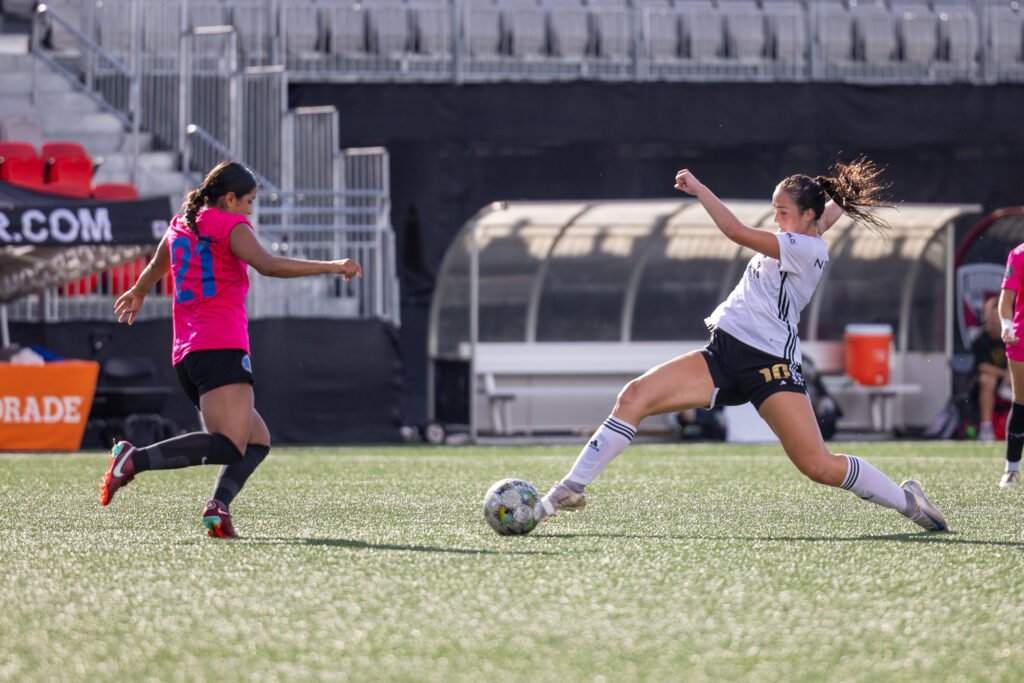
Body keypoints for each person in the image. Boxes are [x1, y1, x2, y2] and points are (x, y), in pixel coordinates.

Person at [535, 158, 948, 532]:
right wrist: (839, 195)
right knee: (634, 396)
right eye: (774, 210)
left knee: (818, 465)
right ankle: (570, 489)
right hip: (724, 352)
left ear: (806, 215)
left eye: (782, 212)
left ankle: (908, 503)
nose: (776, 218)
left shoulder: (803, 246)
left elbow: (734, 231)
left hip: (769, 366)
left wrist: (699, 189)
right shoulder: (807, 230)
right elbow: (826, 215)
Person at [98, 161, 362, 537]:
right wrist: (333, 266)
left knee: (256, 441)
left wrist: (139, 291)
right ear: (230, 198)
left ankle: (217, 509)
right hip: (220, 345)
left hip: (188, 354)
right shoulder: (230, 225)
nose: (251, 210)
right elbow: (268, 266)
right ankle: (133, 459)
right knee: (230, 446)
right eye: (249, 201)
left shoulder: (181, 224)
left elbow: (158, 263)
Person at [996, 243, 1024, 487]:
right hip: (1021, 339)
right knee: (1021, 401)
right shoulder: (1019, 254)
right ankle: (1012, 468)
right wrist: (1006, 324)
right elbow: (1006, 299)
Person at [971, 296, 1010, 442]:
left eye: (997, 315)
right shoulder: (980, 339)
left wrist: (1013, 376)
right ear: (985, 316)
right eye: (991, 315)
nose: (994, 320)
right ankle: (986, 428)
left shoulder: (1010, 336)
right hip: (985, 385)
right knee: (988, 380)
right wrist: (1006, 374)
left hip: (1010, 382)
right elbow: (982, 366)